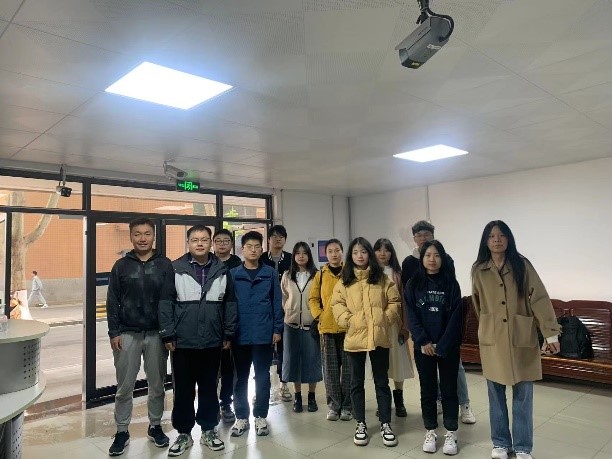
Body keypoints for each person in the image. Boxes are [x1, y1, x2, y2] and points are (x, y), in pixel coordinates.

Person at [472, 220, 561, 459]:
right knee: (495, 395)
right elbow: (478, 304)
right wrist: (488, 326)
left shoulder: (522, 265)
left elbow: (539, 298)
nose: (497, 240)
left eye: (502, 235)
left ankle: (522, 447)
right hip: (493, 339)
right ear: (486, 241)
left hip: (521, 338)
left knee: (523, 396)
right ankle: (501, 443)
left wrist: (550, 332)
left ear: (509, 239)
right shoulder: (479, 269)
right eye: (492, 236)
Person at [159, 225, 237, 456]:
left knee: (209, 388)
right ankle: (184, 433)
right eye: (195, 240)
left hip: (212, 340)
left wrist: (228, 333)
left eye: (204, 239)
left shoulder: (222, 270)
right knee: (183, 390)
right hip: (182, 342)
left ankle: (208, 430)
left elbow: (230, 304)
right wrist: (167, 333)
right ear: (188, 243)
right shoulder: (176, 269)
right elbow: (165, 303)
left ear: (210, 242)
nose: (200, 243)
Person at [106, 218, 173, 456]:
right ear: (131, 237)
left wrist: (169, 332)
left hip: (157, 334)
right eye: (137, 234)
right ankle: (122, 431)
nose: (142, 238)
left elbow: (170, 300)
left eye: (147, 234)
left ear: (153, 236)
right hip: (127, 334)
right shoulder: (121, 266)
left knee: (157, 385)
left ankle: (155, 426)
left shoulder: (165, 264)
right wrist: (114, 331)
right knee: (124, 387)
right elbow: (112, 301)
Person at [401, 220, 476, 425]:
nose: (423, 238)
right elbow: (410, 301)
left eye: (426, 234)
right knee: (428, 380)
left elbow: (452, 300)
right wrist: (421, 337)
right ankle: (437, 404)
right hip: (424, 328)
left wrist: (445, 340)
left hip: (445, 331)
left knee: (455, 372)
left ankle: (464, 404)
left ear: (433, 236)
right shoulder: (409, 263)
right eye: (419, 235)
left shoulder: (446, 261)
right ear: (414, 239)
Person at [331, 237, 402, 448]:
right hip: (355, 336)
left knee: (382, 382)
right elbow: (337, 304)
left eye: (363, 252)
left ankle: (385, 423)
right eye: (355, 252)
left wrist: (385, 319)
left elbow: (394, 301)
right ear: (350, 256)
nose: (359, 256)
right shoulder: (345, 280)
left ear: (369, 254)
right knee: (356, 383)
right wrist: (349, 321)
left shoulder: (382, 278)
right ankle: (360, 423)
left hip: (379, 336)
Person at [406, 240, 463, 456]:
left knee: (449, 390)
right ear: (422, 258)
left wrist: (444, 344)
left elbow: (457, 316)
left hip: (447, 347)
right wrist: (423, 341)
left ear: (443, 258)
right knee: (428, 390)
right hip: (424, 348)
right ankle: (430, 430)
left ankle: (451, 432)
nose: (432, 259)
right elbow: (411, 315)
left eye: (437, 255)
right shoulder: (413, 284)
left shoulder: (451, 284)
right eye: (428, 255)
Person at [230, 231, 283, 437]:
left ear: (262, 249)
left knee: (262, 377)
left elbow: (276, 302)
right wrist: (228, 332)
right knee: (240, 378)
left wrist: (277, 329)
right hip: (240, 334)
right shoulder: (233, 274)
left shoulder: (270, 273)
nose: (253, 250)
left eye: (256, 246)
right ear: (242, 250)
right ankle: (241, 417)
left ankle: (260, 415)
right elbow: (229, 305)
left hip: (263, 333)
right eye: (249, 246)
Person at [308, 239, 353, 422]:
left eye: (337, 250)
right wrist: (319, 315)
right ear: (325, 254)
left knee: (349, 370)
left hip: (348, 328)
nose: (334, 254)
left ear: (342, 252)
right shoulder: (320, 275)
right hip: (327, 328)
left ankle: (347, 406)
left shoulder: (350, 272)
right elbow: (313, 298)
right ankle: (334, 406)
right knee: (330, 370)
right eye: (330, 251)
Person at [373, 238, 414, 418]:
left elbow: (404, 301)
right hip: (377, 326)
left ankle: (399, 401)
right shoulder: (370, 273)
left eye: (387, 250)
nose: (383, 253)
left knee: (397, 364)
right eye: (379, 250)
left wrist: (405, 326)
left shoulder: (397, 274)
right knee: (379, 366)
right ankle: (383, 402)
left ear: (392, 253)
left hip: (395, 325)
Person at [280, 242, 321, 413]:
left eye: (304, 253)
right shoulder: (287, 275)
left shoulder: (317, 275)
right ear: (294, 256)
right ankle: (297, 396)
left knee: (312, 360)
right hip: (291, 325)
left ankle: (311, 396)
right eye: (298, 253)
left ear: (309, 255)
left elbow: (321, 298)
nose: (301, 256)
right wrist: (290, 311)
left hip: (312, 325)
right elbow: (284, 297)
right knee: (293, 361)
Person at [213, 228, 241, 424]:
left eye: (226, 241)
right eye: (218, 241)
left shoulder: (238, 264)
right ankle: (212, 403)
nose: (222, 244)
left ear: (231, 244)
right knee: (210, 368)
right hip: (211, 323)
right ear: (213, 244)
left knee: (229, 369)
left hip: (232, 322)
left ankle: (226, 403)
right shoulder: (208, 262)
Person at [261, 224, 292, 402]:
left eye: (281, 236)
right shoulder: (261, 259)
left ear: (285, 240)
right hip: (265, 311)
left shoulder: (291, 259)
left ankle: (284, 384)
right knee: (263, 350)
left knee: (284, 350)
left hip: (285, 310)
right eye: (274, 236)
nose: (277, 239)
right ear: (269, 239)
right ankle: (262, 387)